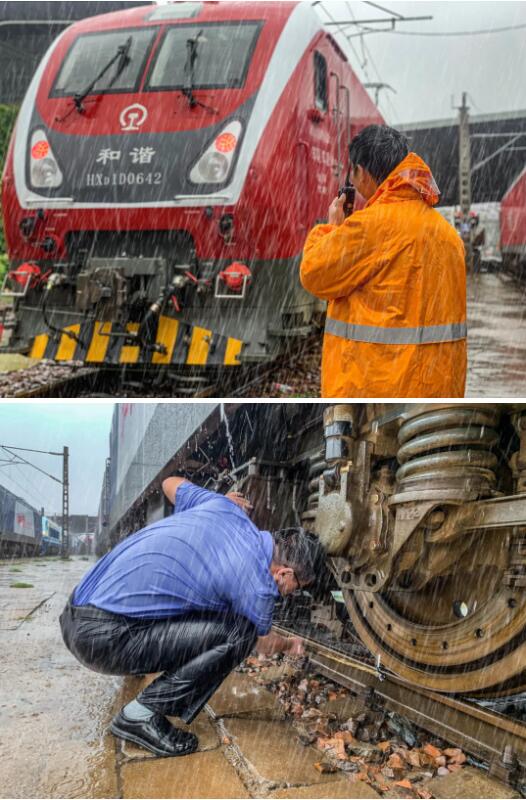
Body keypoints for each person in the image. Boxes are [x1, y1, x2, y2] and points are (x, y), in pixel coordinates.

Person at [59, 477, 325, 758]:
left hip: (75, 612)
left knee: (204, 599)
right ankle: (139, 715)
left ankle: (135, 664)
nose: (292, 594)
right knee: (240, 633)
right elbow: (263, 643)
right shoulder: (258, 584)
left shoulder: (224, 506)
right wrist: (289, 644)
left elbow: (168, 483)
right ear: (284, 573)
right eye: (297, 588)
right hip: (99, 640)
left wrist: (219, 498)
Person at [300, 124, 467, 398]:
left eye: (352, 173)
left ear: (361, 171)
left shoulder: (369, 227)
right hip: (438, 390)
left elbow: (314, 273)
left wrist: (333, 227)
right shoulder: (448, 235)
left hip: (376, 389)